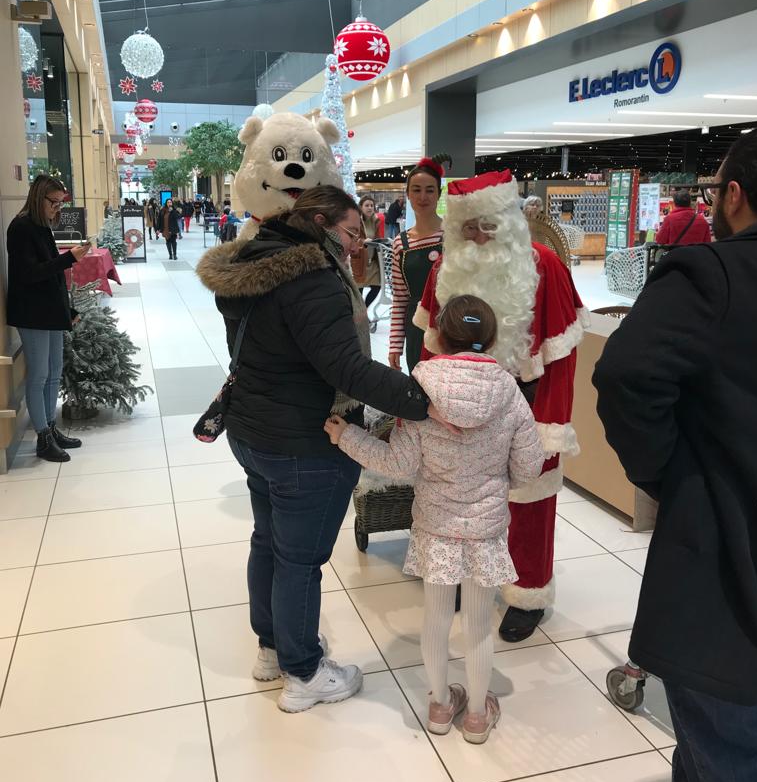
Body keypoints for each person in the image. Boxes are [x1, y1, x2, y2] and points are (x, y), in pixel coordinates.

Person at [197, 185, 450, 714]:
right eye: (353, 233)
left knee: (269, 542)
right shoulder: (312, 279)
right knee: (301, 560)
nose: (358, 246)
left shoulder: (255, 261)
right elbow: (346, 369)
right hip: (302, 441)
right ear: (318, 221)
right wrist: (418, 397)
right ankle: (305, 673)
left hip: (251, 430)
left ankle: (273, 649)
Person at [593, 129, 757, 782]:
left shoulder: (712, 276)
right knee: (710, 766)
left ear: (732, 195)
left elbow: (626, 376)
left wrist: (668, 474)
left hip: (729, 576)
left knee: (735, 766)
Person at [326, 294, 544, 743]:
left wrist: (347, 436)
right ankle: (479, 716)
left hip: (436, 527)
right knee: (479, 624)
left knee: (437, 618)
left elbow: (400, 465)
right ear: (491, 338)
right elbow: (527, 469)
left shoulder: (419, 394)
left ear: (438, 335)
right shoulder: (509, 394)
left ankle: (441, 707)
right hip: (484, 530)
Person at [414, 170, 588, 640]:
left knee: (528, 504)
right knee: (459, 501)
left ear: (508, 220)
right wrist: (427, 408)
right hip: (457, 408)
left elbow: (562, 355)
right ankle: (459, 577)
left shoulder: (545, 266)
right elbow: (431, 344)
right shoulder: (443, 269)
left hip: (528, 406)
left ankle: (526, 592)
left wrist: (551, 424)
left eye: (486, 225)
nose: (475, 236)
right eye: (467, 226)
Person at [5, 175, 89, 462]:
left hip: (50, 311)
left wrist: (68, 312)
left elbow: (52, 276)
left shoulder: (41, 227)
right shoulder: (21, 228)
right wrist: (70, 258)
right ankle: (42, 436)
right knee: (39, 375)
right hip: (32, 313)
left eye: (60, 203)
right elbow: (29, 274)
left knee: (54, 373)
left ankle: (50, 429)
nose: (57, 208)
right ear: (38, 197)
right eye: (53, 202)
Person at [389, 160, 444, 373]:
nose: (423, 197)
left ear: (439, 194)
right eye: (417, 190)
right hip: (416, 329)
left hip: (450, 326)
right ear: (408, 195)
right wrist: (395, 345)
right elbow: (400, 299)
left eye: (430, 190)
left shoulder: (454, 235)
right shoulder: (400, 244)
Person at [350, 194, 384, 319]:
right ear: (361, 207)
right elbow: (352, 237)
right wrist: (363, 241)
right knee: (359, 290)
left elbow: (378, 237)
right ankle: (359, 316)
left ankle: (363, 311)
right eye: (367, 205)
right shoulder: (356, 221)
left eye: (372, 205)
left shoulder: (376, 220)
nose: (370, 208)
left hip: (373, 260)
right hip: (360, 260)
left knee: (377, 287)